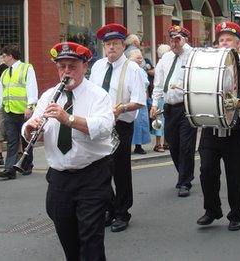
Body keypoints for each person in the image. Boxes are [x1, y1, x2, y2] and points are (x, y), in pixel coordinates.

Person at [23, 41, 113, 261]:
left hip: (92, 174)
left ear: (85, 66)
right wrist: (29, 130)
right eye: (61, 66)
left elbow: (103, 128)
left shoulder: (98, 95)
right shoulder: (48, 96)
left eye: (72, 66)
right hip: (60, 177)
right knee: (66, 235)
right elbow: (32, 126)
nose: (66, 72)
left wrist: (68, 119)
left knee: (91, 238)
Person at [196, 21, 240, 231]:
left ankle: (236, 214)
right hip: (211, 127)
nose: (223, 44)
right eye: (220, 40)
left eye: (228, 40)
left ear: (238, 43)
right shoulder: (209, 65)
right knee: (206, 171)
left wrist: (238, 102)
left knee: (237, 176)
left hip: (238, 128)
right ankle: (212, 210)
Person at [89, 23, 146, 232]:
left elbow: (140, 101)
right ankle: (110, 208)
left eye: (115, 43)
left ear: (123, 46)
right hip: (98, 124)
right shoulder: (97, 66)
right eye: (108, 44)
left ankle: (123, 212)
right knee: (99, 170)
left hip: (120, 125)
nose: (111, 47)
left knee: (120, 171)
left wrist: (121, 108)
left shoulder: (133, 69)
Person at [150, 25, 197, 197]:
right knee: (173, 144)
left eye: (178, 40)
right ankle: (183, 173)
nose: (174, 43)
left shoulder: (192, 56)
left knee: (186, 146)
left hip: (187, 107)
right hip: (169, 107)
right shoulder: (165, 59)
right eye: (172, 40)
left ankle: (185, 181)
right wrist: (154, 104)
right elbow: (158, 83)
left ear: (185, 40)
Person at [0, 45, 38, 179]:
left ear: (10, 56)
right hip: (9, 111)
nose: (2, 59)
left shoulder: (27, 68)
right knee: (12, 141)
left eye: (4, 56)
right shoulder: (5, 73)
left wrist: (30, 106)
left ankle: (27, 165)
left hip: (24, 111)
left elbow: (32, 87)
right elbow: (0, 93)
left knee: (26, 139)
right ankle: (10, 170)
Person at [130, 49, 151, 154]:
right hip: (134, 101)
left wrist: (147, 98)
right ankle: (134, 145)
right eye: (138, 58)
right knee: (135, 123)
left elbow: (146, 86)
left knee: (143, 123)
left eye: (141, 57)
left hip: (143, 101)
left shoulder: (142, 70)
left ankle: (139, 146)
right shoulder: (131, 70)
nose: (140, 59)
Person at [150, 44, 171, 152]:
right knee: (162, 120)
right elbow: (158, 84)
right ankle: (161, 144)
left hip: (162, 96)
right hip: (162, 96)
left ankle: (161, 144)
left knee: (160, 120)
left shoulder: (159, 64)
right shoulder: (164, 64)